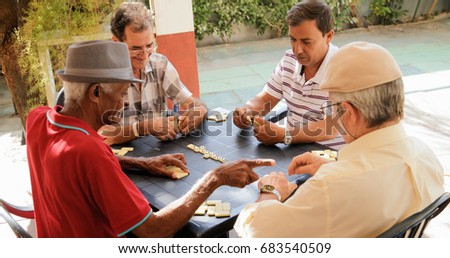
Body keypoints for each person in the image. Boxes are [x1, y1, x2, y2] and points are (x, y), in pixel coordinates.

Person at [26, 40, 274, 237]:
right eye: (122, 94)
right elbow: (153, 230)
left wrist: (142, 163)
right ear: (96, 92)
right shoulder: (89, 152)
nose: (123, 103)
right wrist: (215, 178)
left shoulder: (37, 119)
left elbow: (80, 168)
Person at [233, 41, 445, 237]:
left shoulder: (330, 187)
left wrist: (271, 191)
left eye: (331, 108)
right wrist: (336, 167)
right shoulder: (426, 156)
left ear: (348, 113)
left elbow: (257, 234)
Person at [233, 0, 343, 148]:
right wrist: (247, 111)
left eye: (306, 42)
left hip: (330, 156)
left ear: (328, 36)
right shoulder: (289, 59)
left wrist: (284, 134)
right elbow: (266, 98)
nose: (297, 50)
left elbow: (329, 127)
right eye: (293, 39)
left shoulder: (342, 68)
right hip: (293, 150)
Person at [102, 1, 208, 144]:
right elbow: (99, 135)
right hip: (121, 159)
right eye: (135, 48)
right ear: (116, 42)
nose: (145, 55)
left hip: (157, 152)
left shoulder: (159, 64)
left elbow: (191, 102)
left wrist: (199, 110)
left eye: (149, 45)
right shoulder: (103, 78)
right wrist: (144, 127)